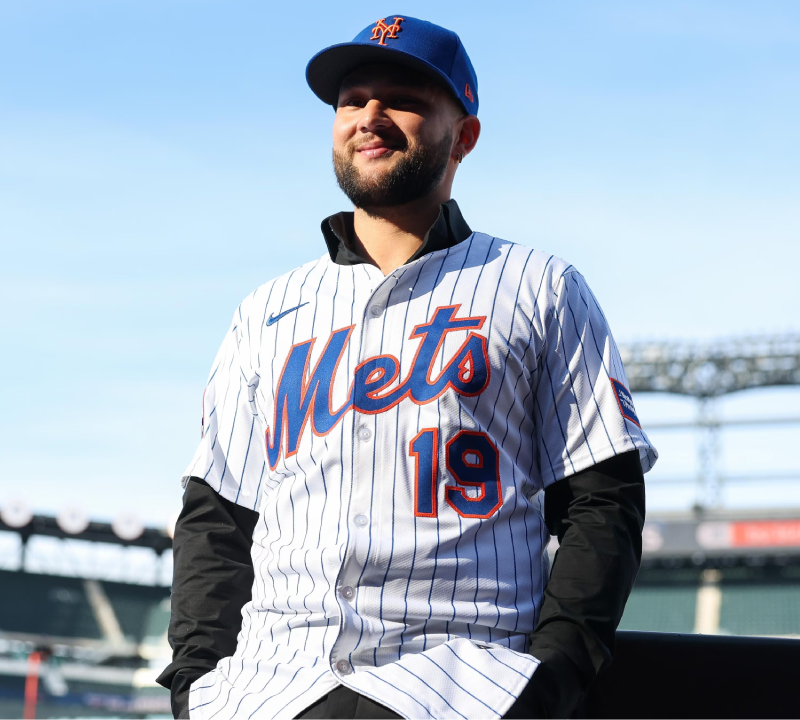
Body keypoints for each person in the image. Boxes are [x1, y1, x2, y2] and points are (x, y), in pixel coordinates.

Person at [156, 15, 656, 719]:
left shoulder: (537, 285)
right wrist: (195, 686)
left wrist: (550, 682)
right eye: (351, 99)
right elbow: (219, 516)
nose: (369, 116)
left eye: (403, 98)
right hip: (267, 692)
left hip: (457, 687)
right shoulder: (266, 309)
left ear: (465, 135)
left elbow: (602, 499)